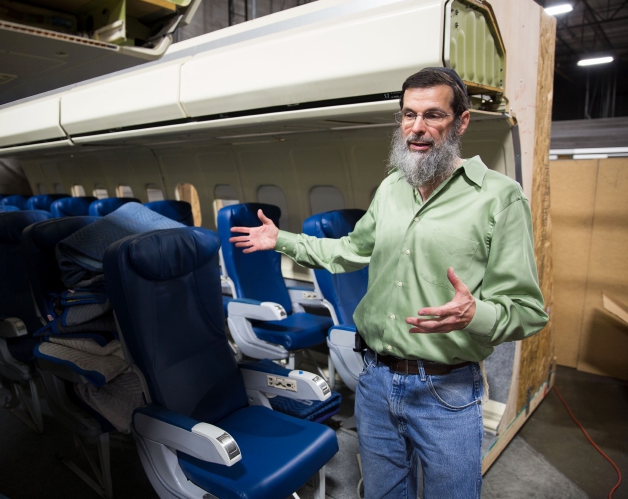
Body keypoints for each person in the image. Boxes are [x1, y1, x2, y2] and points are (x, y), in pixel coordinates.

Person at [229, 67, 549, 499]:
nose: (416, 128)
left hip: (446, 389)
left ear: (462, 121)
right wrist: (281, 240)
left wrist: (476, 314)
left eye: (433, 115)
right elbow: (347, 251)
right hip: (375, 381)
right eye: (408, 114)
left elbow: (528, 311)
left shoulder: (498, 197)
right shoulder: (392, 188)